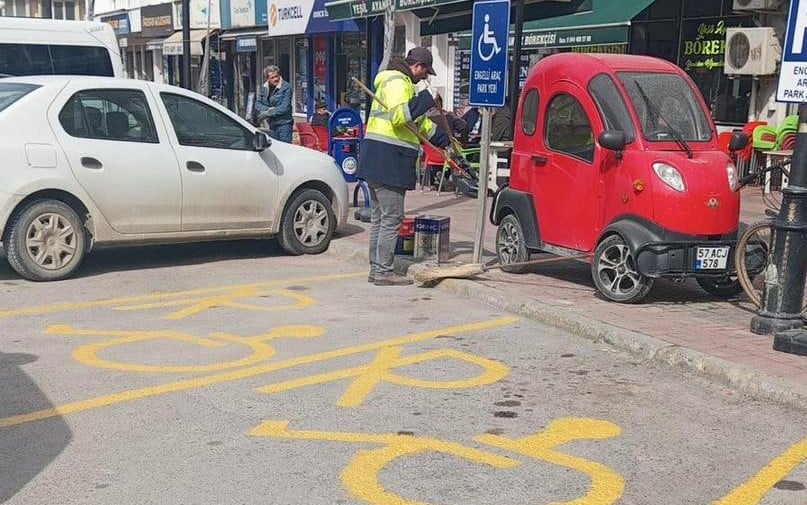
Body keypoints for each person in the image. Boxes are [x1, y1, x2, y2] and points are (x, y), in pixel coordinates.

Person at [357, 47, 450, 286]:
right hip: (390, 160)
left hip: (376, 158)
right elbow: (400, 118)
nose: (425, 78)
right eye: (425, 73)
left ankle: (376, 268)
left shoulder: (390, 82)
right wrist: (425, 99)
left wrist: (442, 137)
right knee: (391, 219)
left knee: (380, 218)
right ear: (417, 66)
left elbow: (415, 123)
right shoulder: (399, 82)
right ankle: (383, 271)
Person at [255, 65, 293, 143]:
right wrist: (268, 110)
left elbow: (284, 107)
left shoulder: (286, 87)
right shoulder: (264, 87)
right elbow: (258, 104)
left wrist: (268, 113)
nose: (275, 79)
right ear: (267, 79)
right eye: (272, 78)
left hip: (284, 124)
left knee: (285, 148)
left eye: (276, 76)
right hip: (272, 124)